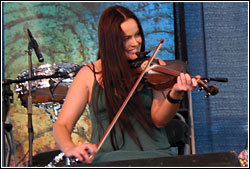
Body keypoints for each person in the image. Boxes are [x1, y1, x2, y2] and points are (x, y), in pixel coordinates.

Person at [53, 5, 199, 164]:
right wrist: (70, 148)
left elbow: (159, 120)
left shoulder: (154, 67)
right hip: (108, 160)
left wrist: (175, 94)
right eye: (126, 38)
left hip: (154, 156)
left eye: (137, 35)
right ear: (110, 42)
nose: (135, 42)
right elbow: (62, 125)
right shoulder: (89, 74)